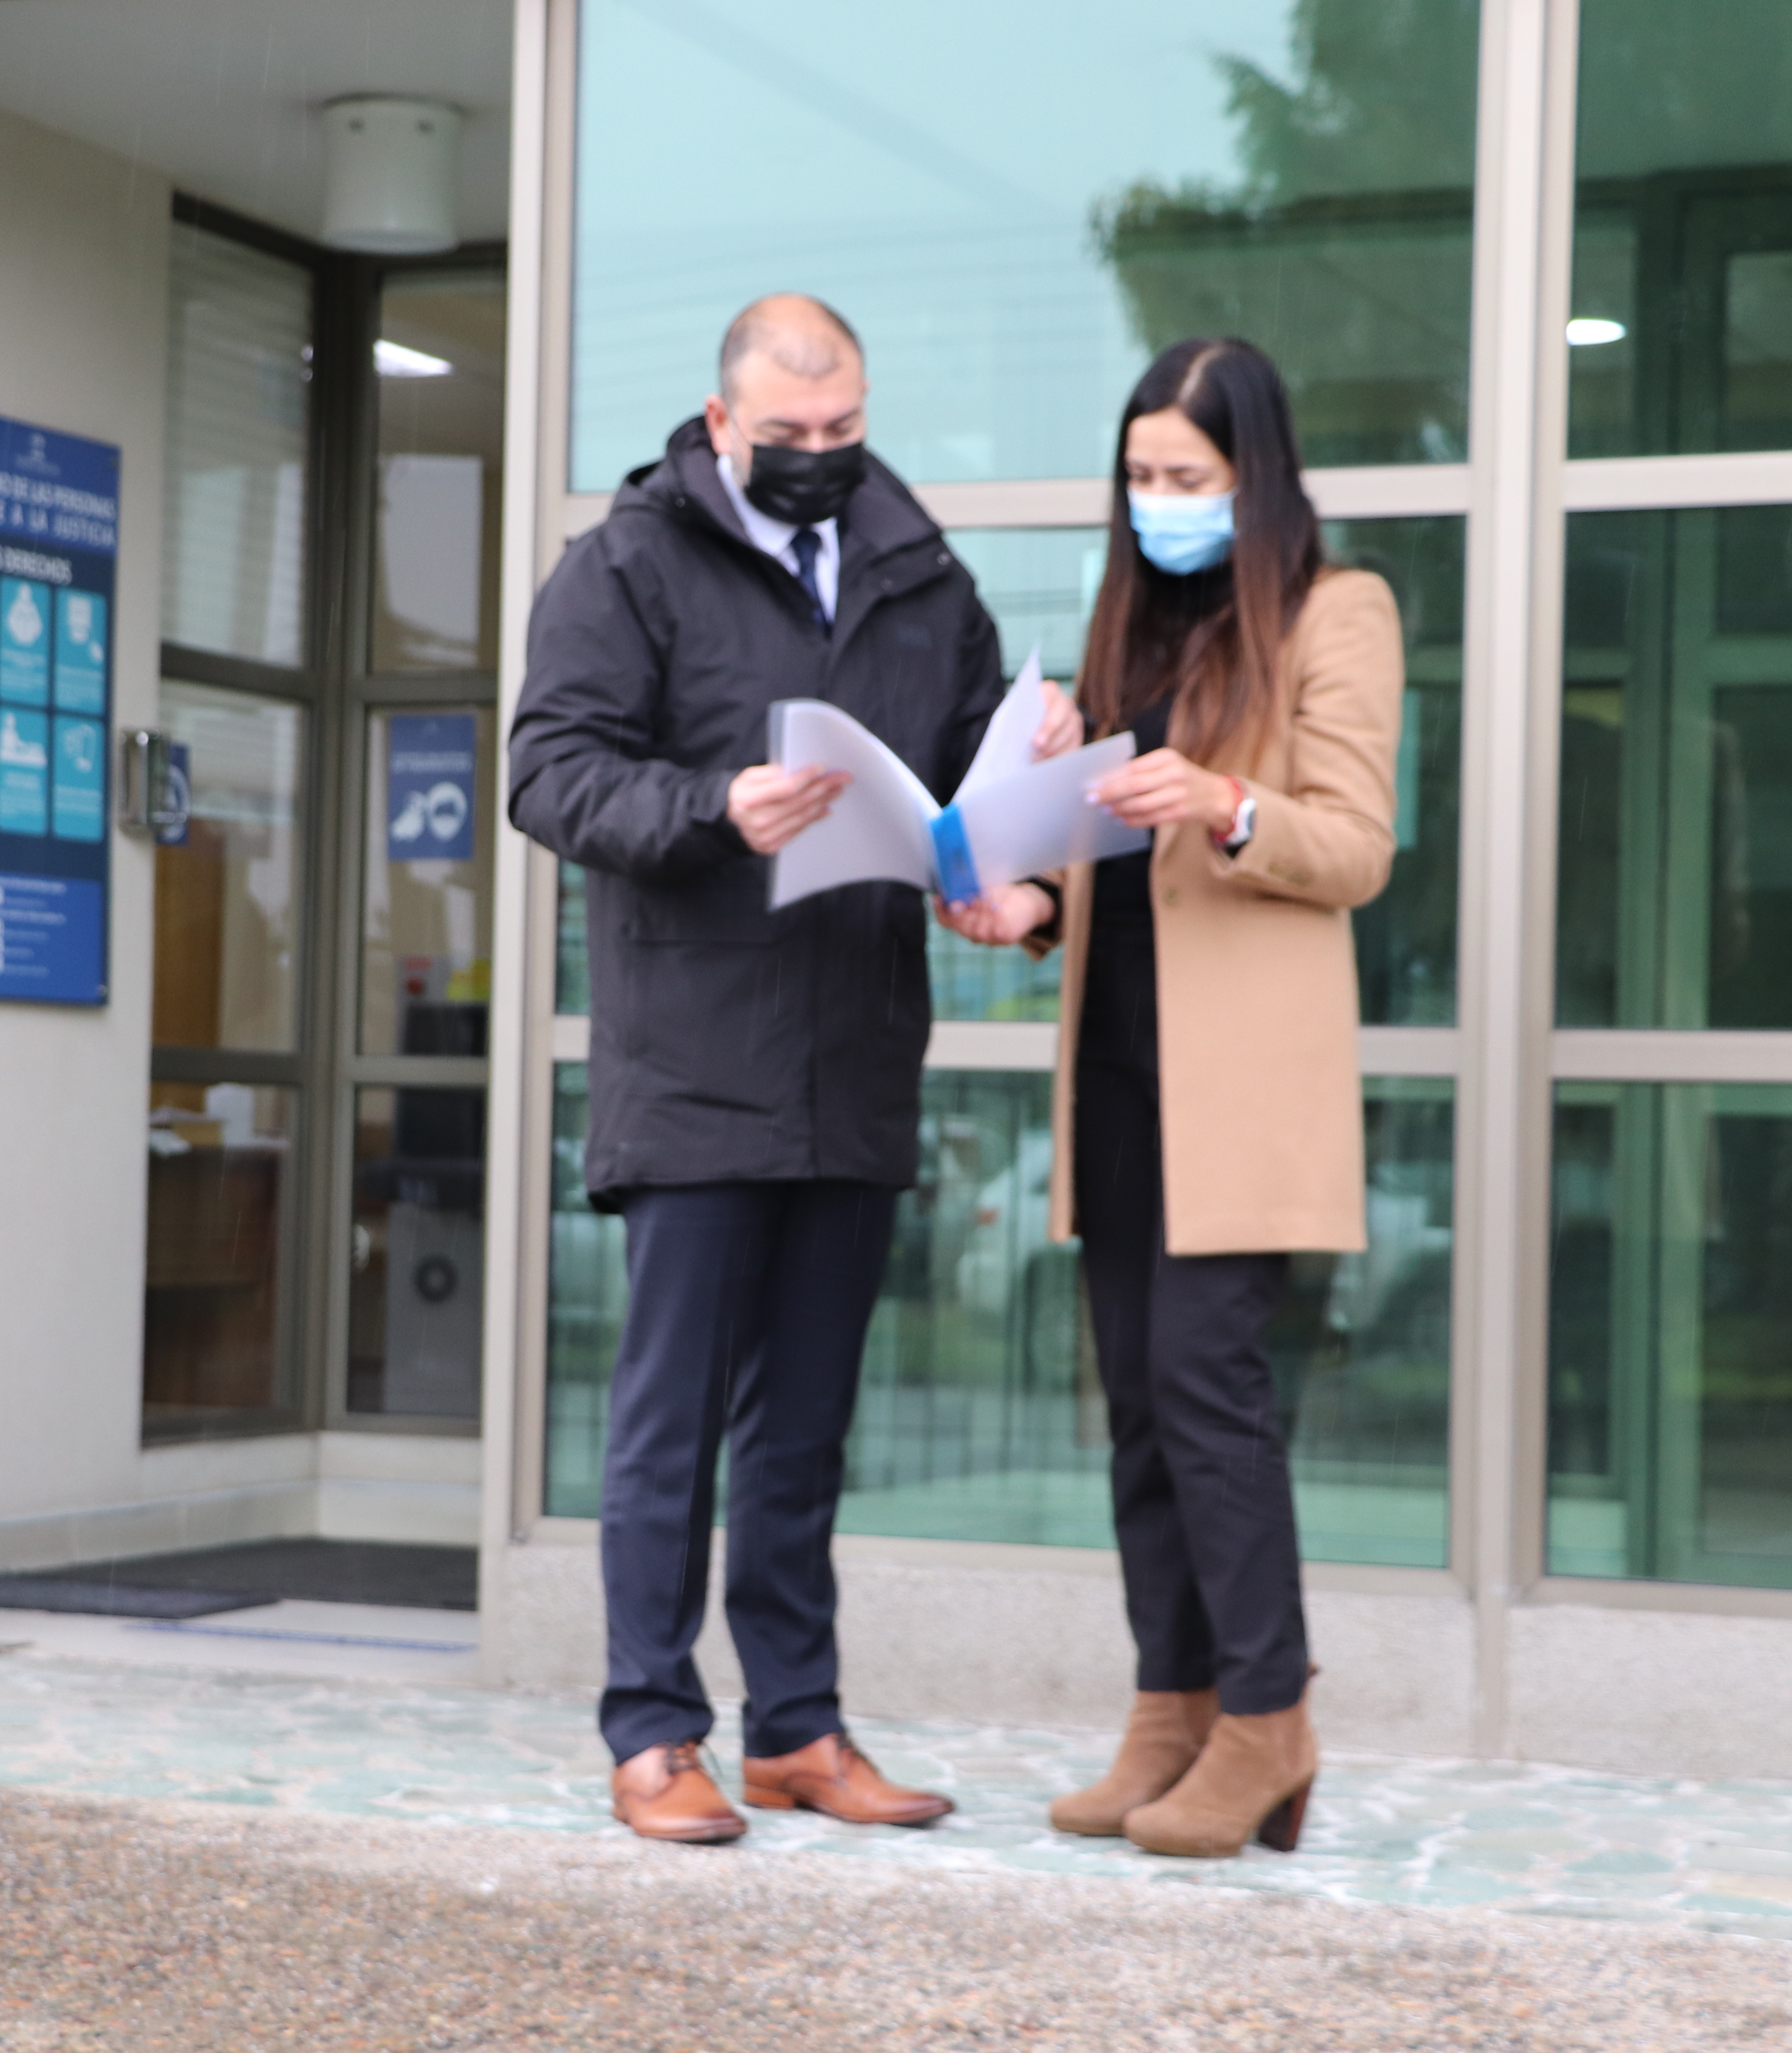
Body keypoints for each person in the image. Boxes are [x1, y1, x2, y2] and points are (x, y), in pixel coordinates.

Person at [509, 294, 1072, 1844]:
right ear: (719, 421)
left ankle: (797, 1731)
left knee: (807, 1426)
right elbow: (549, 770)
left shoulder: (917, 570)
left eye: (846, 433)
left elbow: (973, 784)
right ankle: (651, 1732)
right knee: (670, 1419)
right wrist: (713, 808)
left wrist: (1022, 860)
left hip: (855, 1056)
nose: (822, 459)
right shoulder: (624, 564)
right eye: (790, 438)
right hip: (694, 1062)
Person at [940, 337, 1400, 1858]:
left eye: (1187, 479)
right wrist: (1031, 903)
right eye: (1140, 477)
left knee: (1211, 1392)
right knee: (1137, 1404)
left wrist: (1223, 798)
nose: (1158, 504)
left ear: (1255, 476)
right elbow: (1109, 873)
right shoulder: (1127, 622)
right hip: (1123, 1072)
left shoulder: (1339, 612)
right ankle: (1173, 1709)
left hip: (1242, 1091)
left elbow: (1353, 848)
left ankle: (1268, 1721)